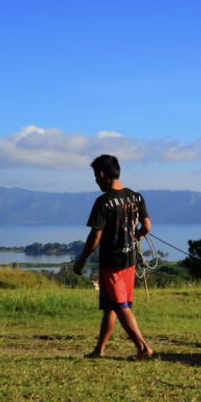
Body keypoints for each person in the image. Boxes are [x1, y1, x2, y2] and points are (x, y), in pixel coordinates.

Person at [73, 154, 153, 361]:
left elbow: (95, 235)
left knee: (119, 306)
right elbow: (146, 227)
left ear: (101, 174)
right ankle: (99, 349)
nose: (96, 180)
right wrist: (137, 236)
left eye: (95, 176)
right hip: (130, 261)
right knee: (111, 306)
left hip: (112, 263)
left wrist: (81, 260)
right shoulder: (136, 196)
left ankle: (143, 348)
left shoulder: (103, 201)